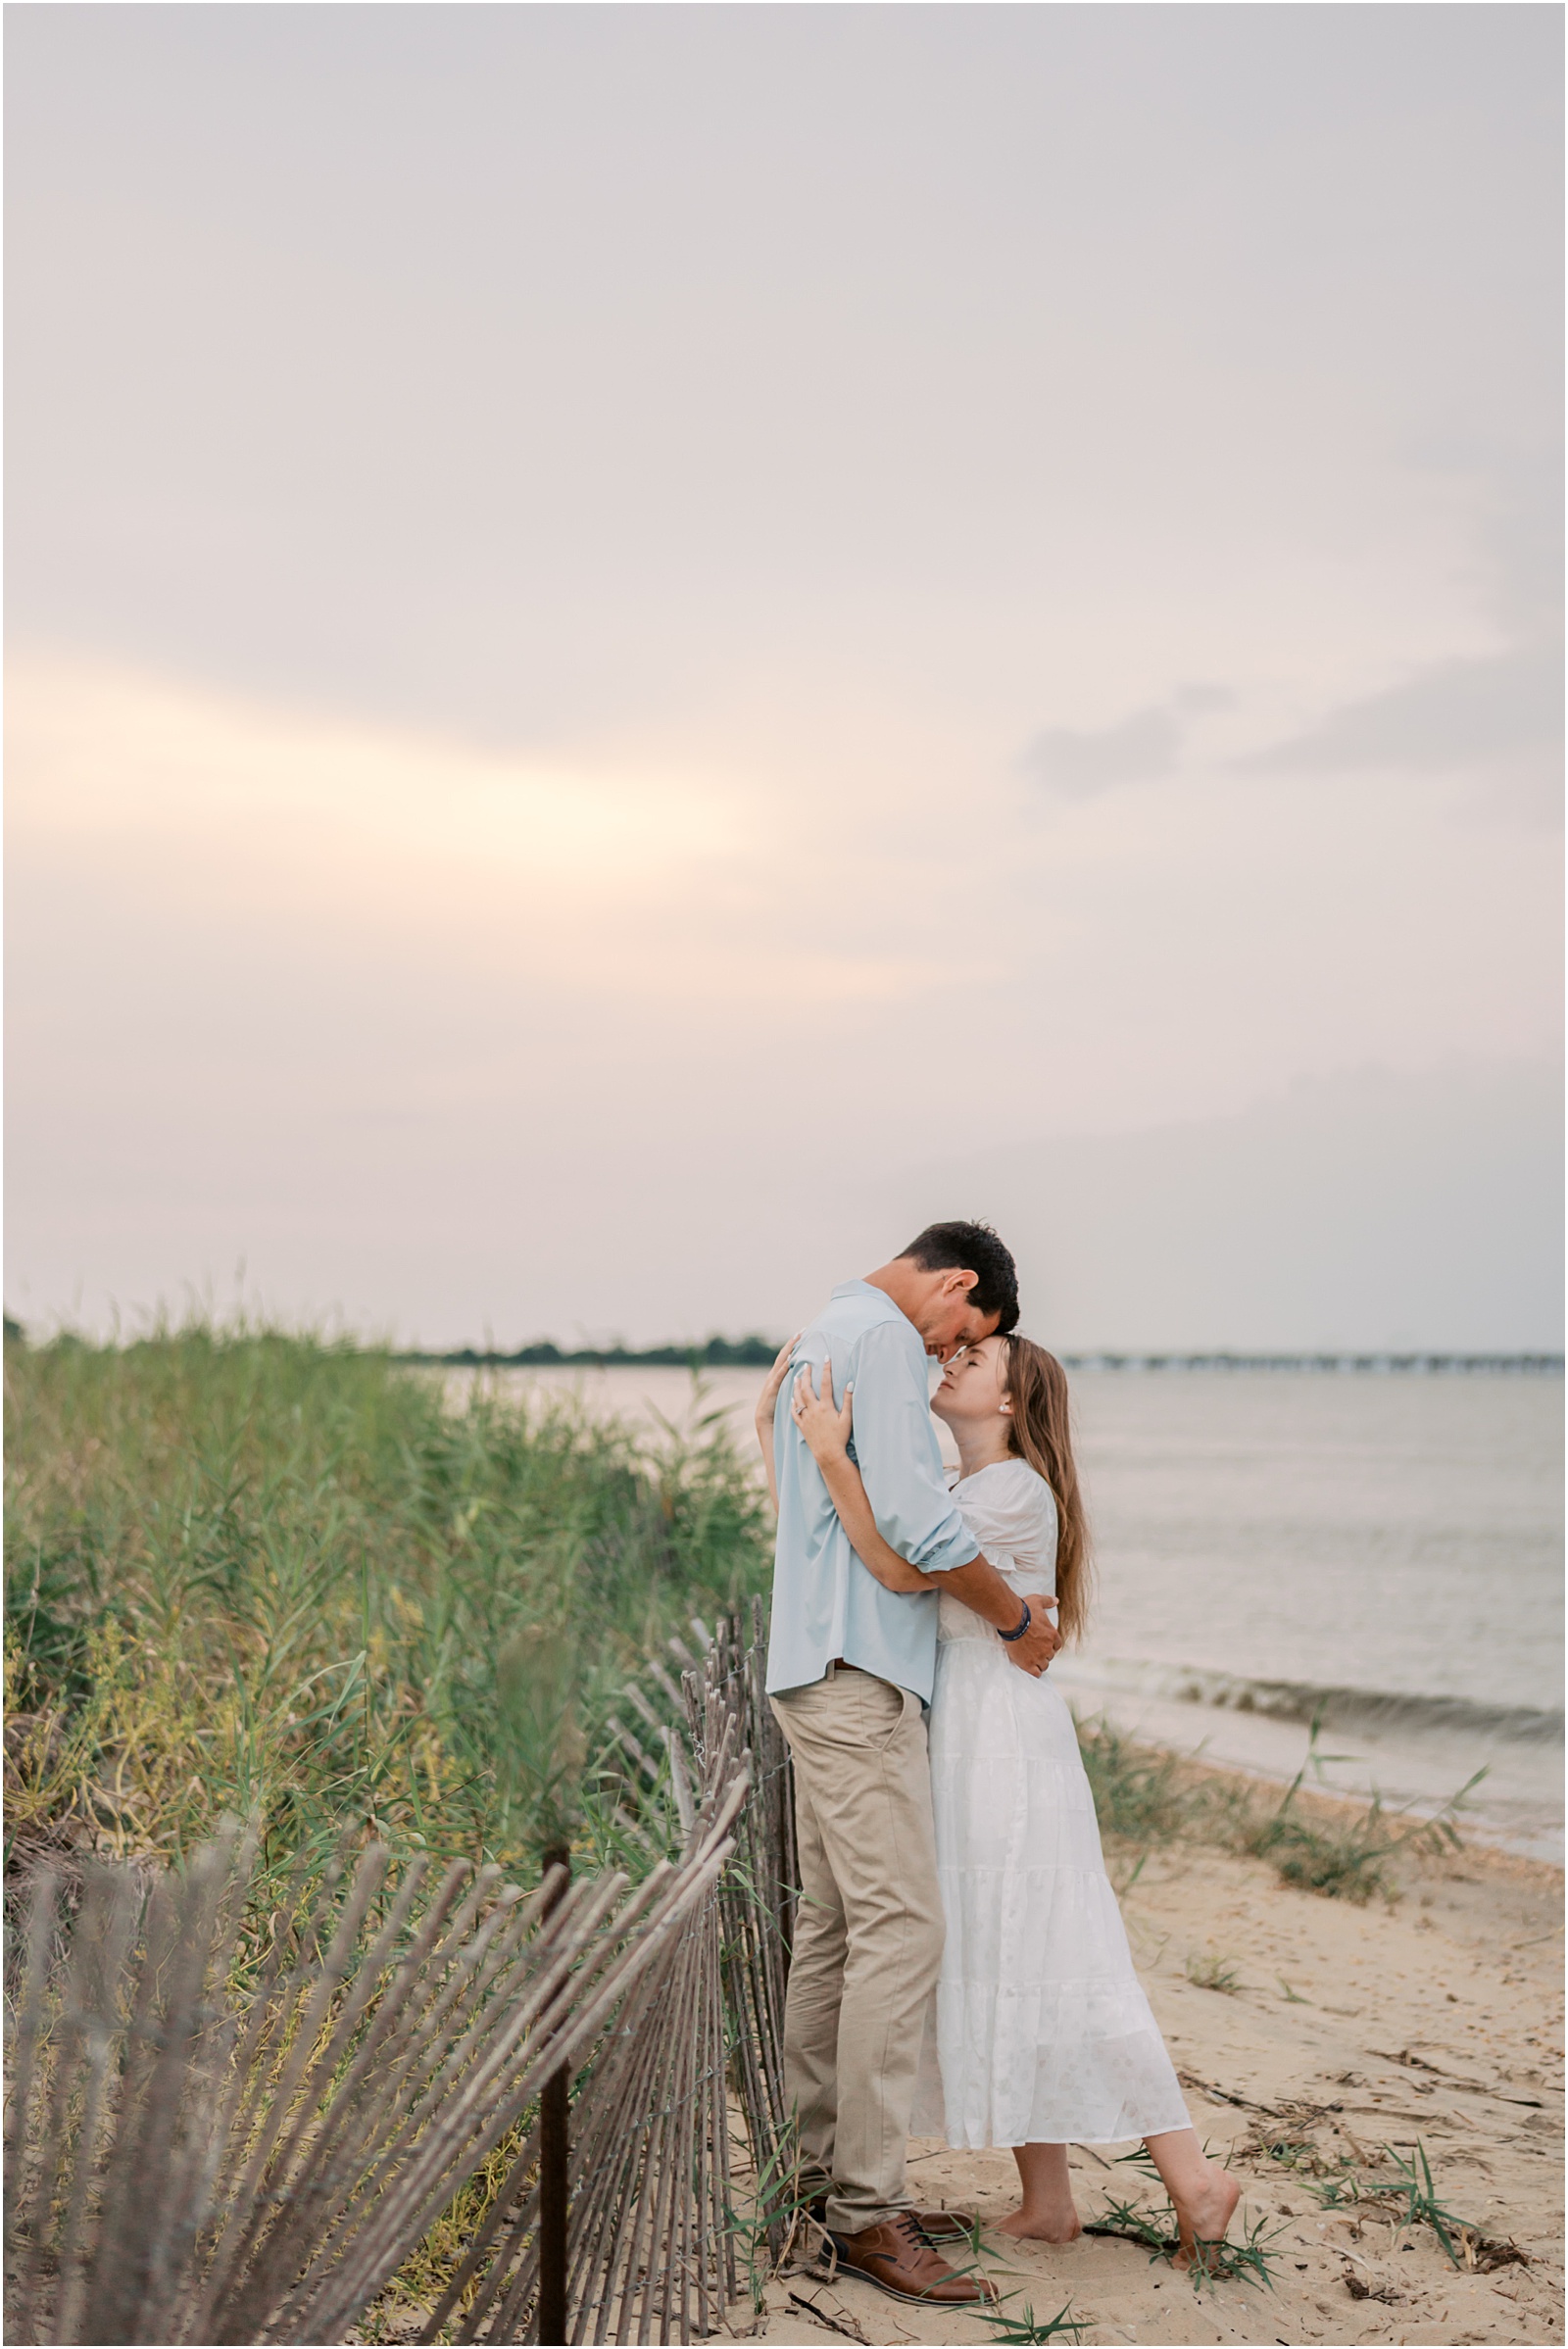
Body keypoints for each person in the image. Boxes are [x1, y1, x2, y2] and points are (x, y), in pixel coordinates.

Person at [776, 1329, 1242, 2267]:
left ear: (1010, 1402)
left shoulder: (1012, 1489)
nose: (952, 1365)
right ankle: (1047, 2201)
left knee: (1056, 1948)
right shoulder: (968, 1485)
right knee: (1009, 1943)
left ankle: (1195, 2176)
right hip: (974, 1723)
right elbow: (874, 1538)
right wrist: (786, 1434)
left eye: (975, 1361)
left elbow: (900, 1569)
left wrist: (829, 1452)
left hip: (998, 1737)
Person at [757, 1222, 1061, 2309]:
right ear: (957, 1285)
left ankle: (819, 2188)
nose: (946, 1357)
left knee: (839, 1930)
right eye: (961, 1335)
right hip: (854, 1669)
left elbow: (814, 1494)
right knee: (902, 1927)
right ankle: (865, 2210)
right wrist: (1019, 1615)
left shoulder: (818, 1334)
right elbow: (924, 1527)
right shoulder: (879, 1335)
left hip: (814, 1659)